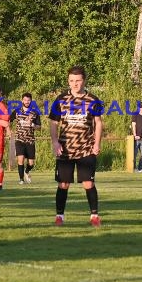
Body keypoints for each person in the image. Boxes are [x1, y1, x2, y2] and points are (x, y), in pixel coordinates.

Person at [49, 66, 103, 227]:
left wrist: (97, 143)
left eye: (78, 81)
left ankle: (94, 216)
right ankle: (60, 216)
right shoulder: (60, 100)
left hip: (86, 148)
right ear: (68, 81)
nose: (75, 84)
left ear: (84, 81)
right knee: (63, 184)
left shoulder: (93, 100)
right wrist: (55, 141)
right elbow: (53, 122)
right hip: (65, 149)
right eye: (72, 81)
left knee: (88, 183)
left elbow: (98, 122)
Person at [10, 92, 41, 184]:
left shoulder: (35, 113)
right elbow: (9, 120)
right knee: (20, 159)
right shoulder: (17, 111)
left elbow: (39, 127)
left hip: (30, 140)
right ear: (22, 100)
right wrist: (8, 130)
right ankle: (21, 179)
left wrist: (33, 125)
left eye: (28, 100)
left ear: (31, 101)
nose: (27, 101)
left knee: (31, 163)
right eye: (25, 100)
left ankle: (27, 171)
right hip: (19, 139)